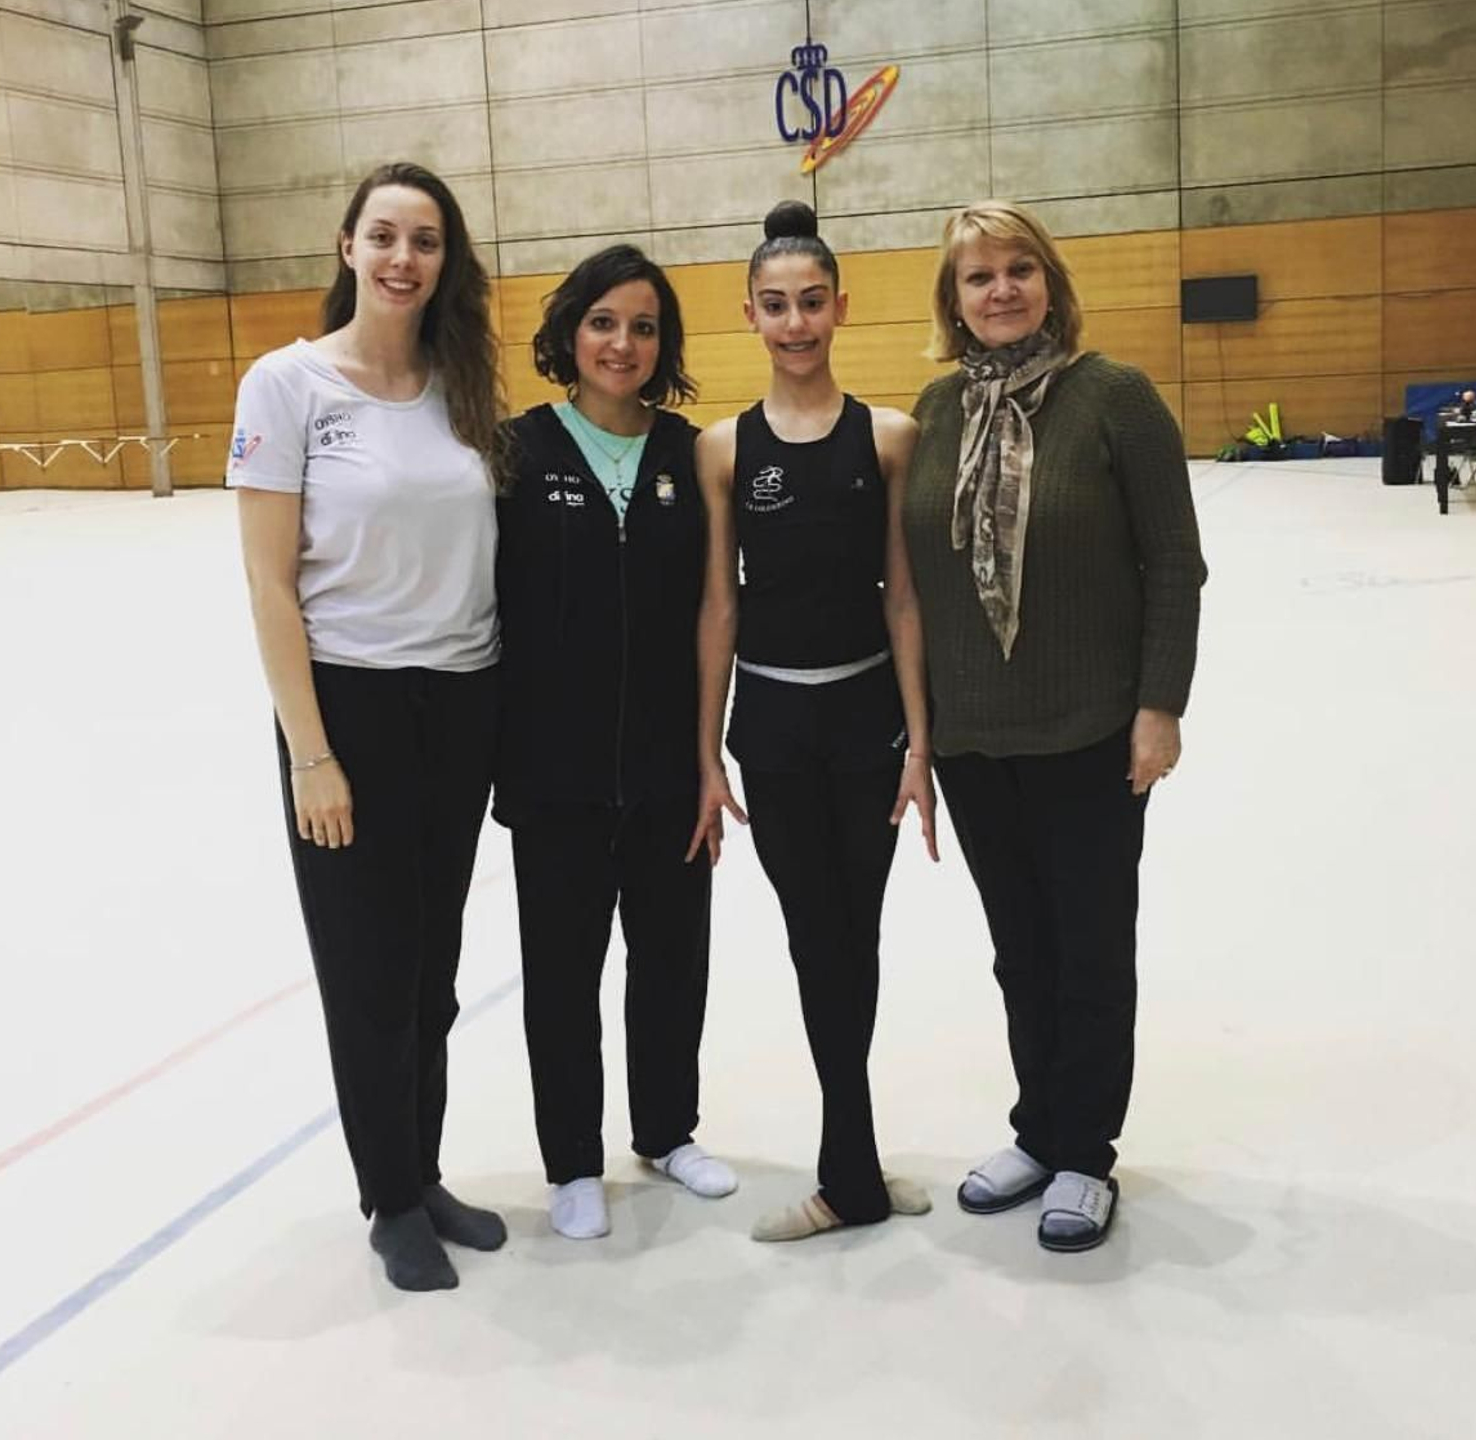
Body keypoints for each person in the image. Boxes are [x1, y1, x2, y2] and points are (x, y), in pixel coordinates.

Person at [902, 201, 1206, 1253]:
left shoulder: (1112, 398)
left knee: (1087, 948)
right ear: (952, 299)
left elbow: (1173, 560)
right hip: (977, 739)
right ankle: (1038, 1129)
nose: (999, 290)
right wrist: (919, 732)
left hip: (1088, 731)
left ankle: (1086, 1152)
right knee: (1019, 951)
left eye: (1017, 269)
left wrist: (1158, 704)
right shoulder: (933, 413)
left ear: (1049, 281)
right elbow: (912, 584)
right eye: (977, 276)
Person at [229, 161, 508, 1292]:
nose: (404, 258)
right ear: (346, 246)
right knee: (366, 970)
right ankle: (388, 1195)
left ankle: (423, 1166)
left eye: (426, 240)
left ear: (448, 259)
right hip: (347, 707)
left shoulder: (463, 382)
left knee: (432, 969)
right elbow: (268, 585)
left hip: (462, 703)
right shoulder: (288, 386)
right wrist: (312, 752)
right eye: (383, 235)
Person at [690, 200, 938, 1243]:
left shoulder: (889, 436)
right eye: (775, 307)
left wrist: (920, 743)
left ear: (840, 305)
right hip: (777, 729)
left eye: (810, 304)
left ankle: (852, 1169)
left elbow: (904, 597)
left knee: (858, 936)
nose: (795, 323)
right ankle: (854, 1170)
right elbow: (720, 605)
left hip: (868, 719)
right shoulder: (721, 448)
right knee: (816, 939)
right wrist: (705, 754)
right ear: (749, 314)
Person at [494, 244, 736, 1241]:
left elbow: (715, 607)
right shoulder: (516, 453)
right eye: (603, 323)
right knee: (561, 968)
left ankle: (667, 1130)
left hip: (668, 767)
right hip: (553, 774)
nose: (622, 343)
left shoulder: (694, 455)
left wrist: (708, 758)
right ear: (569, 334)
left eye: (642, 326)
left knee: (672, 957)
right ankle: (570, 1160)